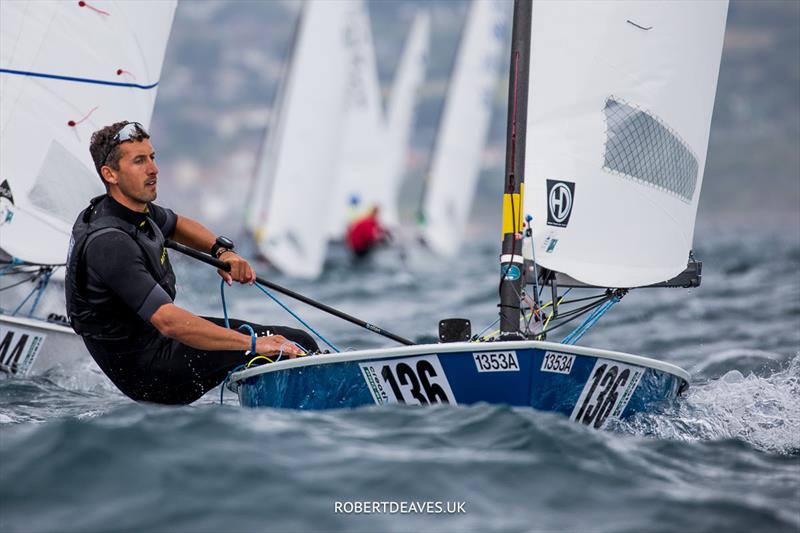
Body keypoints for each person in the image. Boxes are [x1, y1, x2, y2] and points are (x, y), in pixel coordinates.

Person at [65, 121, 319, 405]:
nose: (153, 169)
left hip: (163, 348)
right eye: (139, 161)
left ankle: (276, 416)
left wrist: (221, 252)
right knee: (291, 346)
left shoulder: (133, 211)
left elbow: (176, 223)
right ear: (110, 174)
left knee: (293, 342)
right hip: (151, 374)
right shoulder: (109, 244)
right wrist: (254, 345)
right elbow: (169, 321)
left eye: (152, 157)